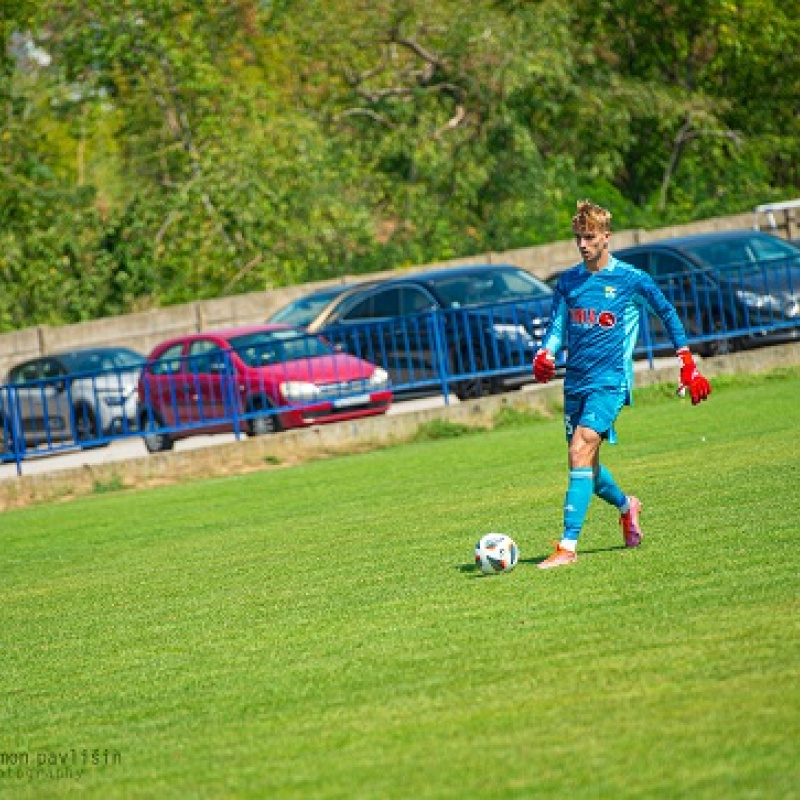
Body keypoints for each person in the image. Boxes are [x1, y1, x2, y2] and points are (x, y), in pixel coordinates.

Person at [532, 200, 711, 569]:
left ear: (606, 238)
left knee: (579, 451)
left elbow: (668, 313)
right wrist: (545, 354)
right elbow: (556, 328)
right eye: (578, 237)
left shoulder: (631, 279)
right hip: (576, 383)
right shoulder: (568, 282)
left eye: (590, 237)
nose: (583, 244)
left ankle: (567, 546)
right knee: (587, 467)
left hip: (610, 382)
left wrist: (687, 365)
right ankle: (627, 506)